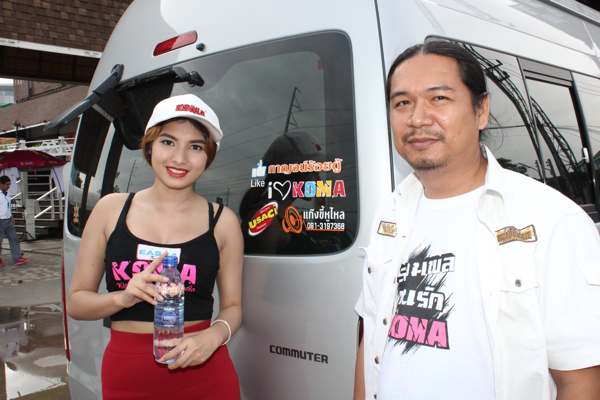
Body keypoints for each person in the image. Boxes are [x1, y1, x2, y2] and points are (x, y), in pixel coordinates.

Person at [354, 41, 600, 400]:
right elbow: (372, 337)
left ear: (481, 110)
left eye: (439, 98)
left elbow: (581, 382)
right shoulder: (389, 214)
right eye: (402, 103)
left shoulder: (551, 221)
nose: (417, 118)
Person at [68, 94, 243, 399]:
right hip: (128, 377)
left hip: (204, 373)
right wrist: (123, 297)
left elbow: (233, 307)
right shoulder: (110, 210)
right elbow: (77, 303)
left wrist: (214, 336)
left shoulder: (223, 221)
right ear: (149, 146)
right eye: (168, 142)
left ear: (208, 156)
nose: (180, 158)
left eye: (196, 147)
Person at [0, 175, 28, 267]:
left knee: (14, 239)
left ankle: (17, 258)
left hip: (8, 220)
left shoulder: (8, 194)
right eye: (7, 184)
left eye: (9, 184)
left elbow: (8, 207)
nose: (9, 186)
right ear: (1, 184)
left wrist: (12, 216)